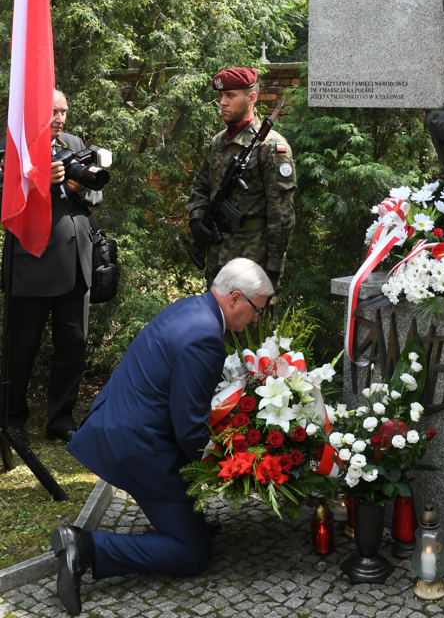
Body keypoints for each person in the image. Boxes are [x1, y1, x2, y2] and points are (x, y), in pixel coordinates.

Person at [54, 259, 273, 616]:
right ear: (235, 298)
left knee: (190, 524)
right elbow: (189, 429)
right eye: (255, 311)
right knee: (192, 554)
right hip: (137, 447)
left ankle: (184, 516)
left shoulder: (193, 308)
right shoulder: (205, 337)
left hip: (122, 424)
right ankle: (85, 546)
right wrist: (236, 467)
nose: (254, 320)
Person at [1, 89, 103, 445]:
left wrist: (78, 188)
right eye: (53, 112)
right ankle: (13, 421)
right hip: (32, 265)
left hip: (76, 264)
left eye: (64, 112)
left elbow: (96, 192)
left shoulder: (73, 142)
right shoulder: (13, 146)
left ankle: (61, 420)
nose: (60, 119)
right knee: (21, 348)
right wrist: (39, 182)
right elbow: (5, 198)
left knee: (72, 346)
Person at [185, 66, 296, 290]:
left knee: (251, 325)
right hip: (217, 254)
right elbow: (200, 186)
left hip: (252, 260)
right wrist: (197, 221)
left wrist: (273, 267)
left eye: (230, 96)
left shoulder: (270, 146)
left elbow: (281, 215)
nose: (222, 102)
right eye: (221, 96)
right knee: (216, 322)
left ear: (251, 98)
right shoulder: (218, 142)